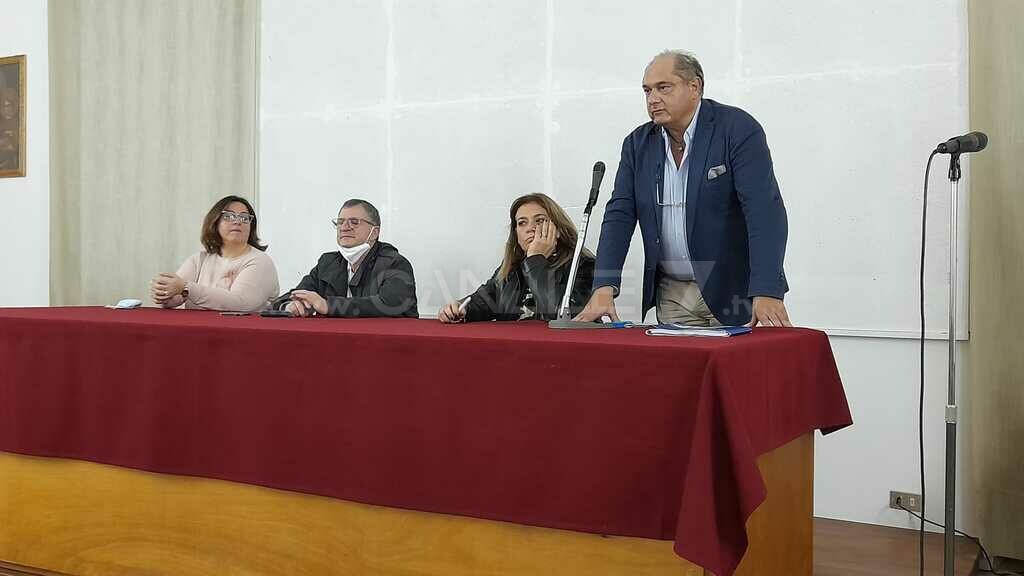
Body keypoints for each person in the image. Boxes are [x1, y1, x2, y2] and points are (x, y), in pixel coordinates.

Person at [576, 50, 791, 327]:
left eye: (663, 87)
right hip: (673, 294)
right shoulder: (637, 144)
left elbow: (764, 211)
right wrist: (603, 286)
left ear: (694, 87)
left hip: (734, 289)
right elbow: (620, 216)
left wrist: (767, 289)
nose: (653, 99)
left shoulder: (737, 129)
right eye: (647, 90)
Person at [438, 193, 594, 323]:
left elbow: (567, 316)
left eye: (539, 220)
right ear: (516, 234)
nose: (530, 228)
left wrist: (535, 260)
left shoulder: (584, 265)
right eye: (522, 223)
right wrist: (459, 308)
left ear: (558, 229)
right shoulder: (512, 268)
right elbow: (482, 302)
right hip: (513, 347)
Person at [280, 199, 418, 318]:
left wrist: (328, 305)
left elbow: (389, 304)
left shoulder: (394, 263)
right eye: (340, 222)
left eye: (354, 222)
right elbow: (293, 295)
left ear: (374, 232)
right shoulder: (327, 262)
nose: (344, 228)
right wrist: (291, 305)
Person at [151, 195, 280, 312]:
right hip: (198, 328)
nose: (237, 221)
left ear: (251, 226)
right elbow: (178, 295)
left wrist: (186, 288)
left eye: (244, 218)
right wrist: (165, 294)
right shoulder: (199, 259)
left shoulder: (260, 261)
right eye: (228, 216)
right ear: (215, 222)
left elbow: (240, 303)